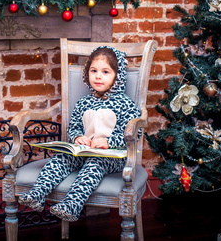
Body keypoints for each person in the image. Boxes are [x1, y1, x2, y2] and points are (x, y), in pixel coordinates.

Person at [18, 45, 141, 222]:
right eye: (94, 71)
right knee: (61, 158)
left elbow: (134, 133)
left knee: (95, 163)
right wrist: (77, 137)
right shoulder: (83, 103)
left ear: (117, 76)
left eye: (105, 72)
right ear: (87, 73)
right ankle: (38, 193)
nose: (98, 76)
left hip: (112, 157)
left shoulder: (125, 104)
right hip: (84, 151)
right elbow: (74, 126)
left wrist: (109, 141)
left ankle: (72, 204)